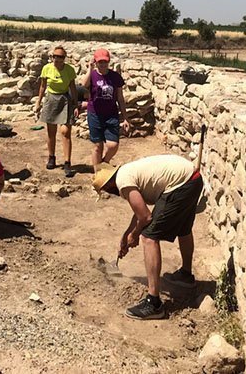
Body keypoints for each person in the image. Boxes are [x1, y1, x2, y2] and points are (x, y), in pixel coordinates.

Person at [92, 154, 204, 320]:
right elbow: (139, 211)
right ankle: (185, 275)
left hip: (180, 184)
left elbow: (145, 217)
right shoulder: (127, 172)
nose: (110, 193)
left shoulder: (123, 182)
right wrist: (127, 234)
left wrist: (135, 235)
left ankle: (154, 303)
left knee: (148, 237)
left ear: (109, 184)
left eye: (107, 190)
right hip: (192, 178)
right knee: (183, 228)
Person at [34, 45, 79, 178]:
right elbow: (42, 86)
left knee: (65, 132)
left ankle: (67, 162)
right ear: (52, 57)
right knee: (51, 131)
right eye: (55, 57)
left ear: (64, 58)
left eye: (61, 57)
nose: (58, 60)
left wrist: (75, 104)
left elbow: (73, 87)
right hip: (51, 99)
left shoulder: (69, 70)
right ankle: (51, 157)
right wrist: (38, 102)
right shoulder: (46, 68)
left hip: (65, 99)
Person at [83, 48, 130, 169]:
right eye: (100, 62)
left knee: (113, 145)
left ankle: (104, 162)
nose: (103, 64)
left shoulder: (115, 77)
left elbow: (120, 98)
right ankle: (98, 175)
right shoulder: (92, 75)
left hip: (111, 114)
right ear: (96, 62)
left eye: (105, 62)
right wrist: (90, 68)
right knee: (97, 146)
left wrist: (125, 118)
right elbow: (84, 85)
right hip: (95, 114)